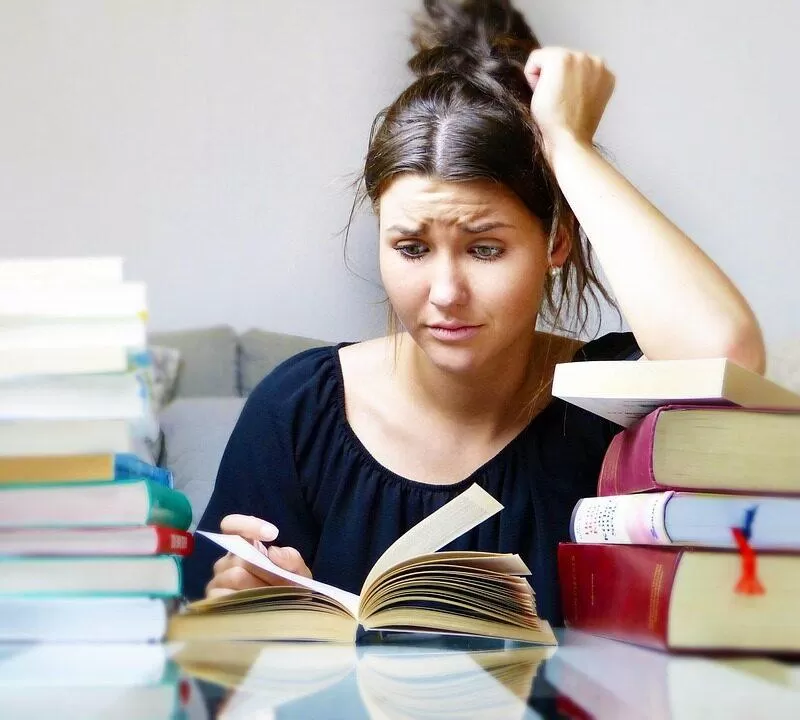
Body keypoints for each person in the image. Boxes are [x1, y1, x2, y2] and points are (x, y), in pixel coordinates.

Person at [182, 0, 765, 624]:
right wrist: (242, 605)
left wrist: (570, 145)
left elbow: (727, 358)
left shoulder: (608, 407)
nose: (445, 292)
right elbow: (215, 662)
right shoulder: (297, 410)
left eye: (485, 249)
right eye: (411, 248)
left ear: (556, 243)